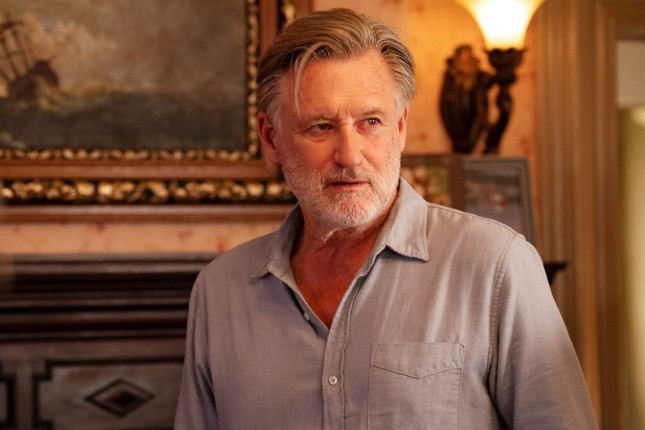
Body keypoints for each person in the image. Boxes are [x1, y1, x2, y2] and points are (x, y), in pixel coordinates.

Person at [174, 8, 598, 429]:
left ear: (400, 127)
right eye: (321, 127)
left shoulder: (496, 265)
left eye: (370, 122)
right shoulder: (220, 292)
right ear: (272, 139)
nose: (349, 155)